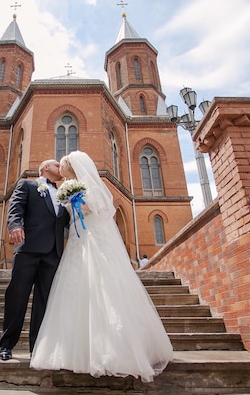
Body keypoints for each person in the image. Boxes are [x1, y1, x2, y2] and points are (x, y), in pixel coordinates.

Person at [30, 150, 174, 382]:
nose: (63, 174)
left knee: (102, 285)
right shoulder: (69, 187)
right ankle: (72, 350)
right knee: (74, 290)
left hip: (94, 240)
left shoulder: (91, 187)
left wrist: (76, 199)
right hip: (77, 244)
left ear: (75, 169)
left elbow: (100, 209)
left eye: (66, 170)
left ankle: (112, 350)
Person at [0, 159, 70, 361]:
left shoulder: (65, 194)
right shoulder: (28, 185)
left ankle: (37, 348)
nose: (60, 168)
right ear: (46, 167)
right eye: (57, 165)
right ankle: (6, 345)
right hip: (28, 249)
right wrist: (15, 227)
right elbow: (16, 208)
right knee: (17, 297)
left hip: (53, 253)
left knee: (44, 302)